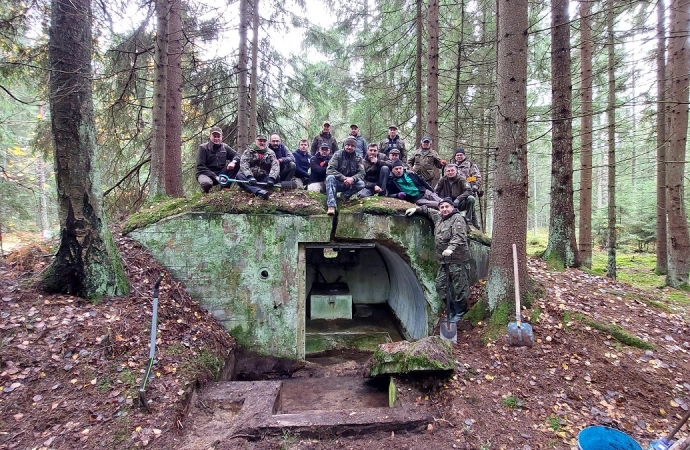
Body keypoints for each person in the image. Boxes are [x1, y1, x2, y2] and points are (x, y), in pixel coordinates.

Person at [405, 197, 470, 323]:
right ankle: (451, 309)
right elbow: (428, 210)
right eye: (442, 207)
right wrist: (416, 209)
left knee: (460, 287)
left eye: (447, 207)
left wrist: (451, 248)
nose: (444, 209)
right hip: (444, 261)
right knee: (440, 286)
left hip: (457, 260)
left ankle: (461, 312)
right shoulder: (438, 217)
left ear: (452, 207)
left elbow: (460, 236)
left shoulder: (457, 219)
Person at [325, 136, 365, 215]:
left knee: (361, 184)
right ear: (344, 145)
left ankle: (345, 196)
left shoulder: (358, 157)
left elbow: (362, 173)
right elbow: (330, 169)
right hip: (337, 183)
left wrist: (353, 179)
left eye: (352, 146)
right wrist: (343, 178)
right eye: (348, 145)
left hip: (350, 184)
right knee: (330, 177)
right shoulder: (337, 155)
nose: (350, 147)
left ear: (355, 147)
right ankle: (331, 205)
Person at [196, 126, 240, 193]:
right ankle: (206, 193)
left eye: (218, 136)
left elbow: (237, 155)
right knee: (206, 183)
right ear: (210, 136)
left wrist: (233, 162)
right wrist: (215, 177)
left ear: (222, 137)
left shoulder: (225, 147)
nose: (216, 138)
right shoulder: (203, 148)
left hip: (221, 173)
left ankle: (225, 188)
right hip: (205, 174)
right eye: (214, 136)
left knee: (237, 163)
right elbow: (200, 167)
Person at [434, 163, 477, 228]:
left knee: (471, 198)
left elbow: (469, 190)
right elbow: (436, 192)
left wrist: (458, 199)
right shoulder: (443, 180)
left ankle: (468, 220)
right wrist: (441, 200)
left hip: (459, 203)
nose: (450, 172)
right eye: (448, 171)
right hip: (447, 204)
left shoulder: (462, 179)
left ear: (456, 171)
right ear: (445, 172)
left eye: (452, 170)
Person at [237, 134, 279, 199]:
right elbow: (244, 164)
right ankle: (259, 190)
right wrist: (249, 176)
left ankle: (254, 189)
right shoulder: (248, 151)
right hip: (251, 178)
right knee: (239, 175)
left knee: (277, 177)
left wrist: (272, 178)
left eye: (264, 141)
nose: (262, 143)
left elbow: (275, 165)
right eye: (260, 141)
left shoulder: (271, 153)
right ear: (255, 141)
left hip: (264, 177)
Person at [453, 147, 482, 228]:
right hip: (456, 192)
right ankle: (473, 226)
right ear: (455, 156)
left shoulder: (470, 164)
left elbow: (476, 177)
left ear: (464, 155)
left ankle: (471, 224)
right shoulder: (452, 165)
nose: (459, 156)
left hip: (468, 190)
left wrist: (471, 182)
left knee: (471, 204)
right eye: (457, 155)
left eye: (461, 155)